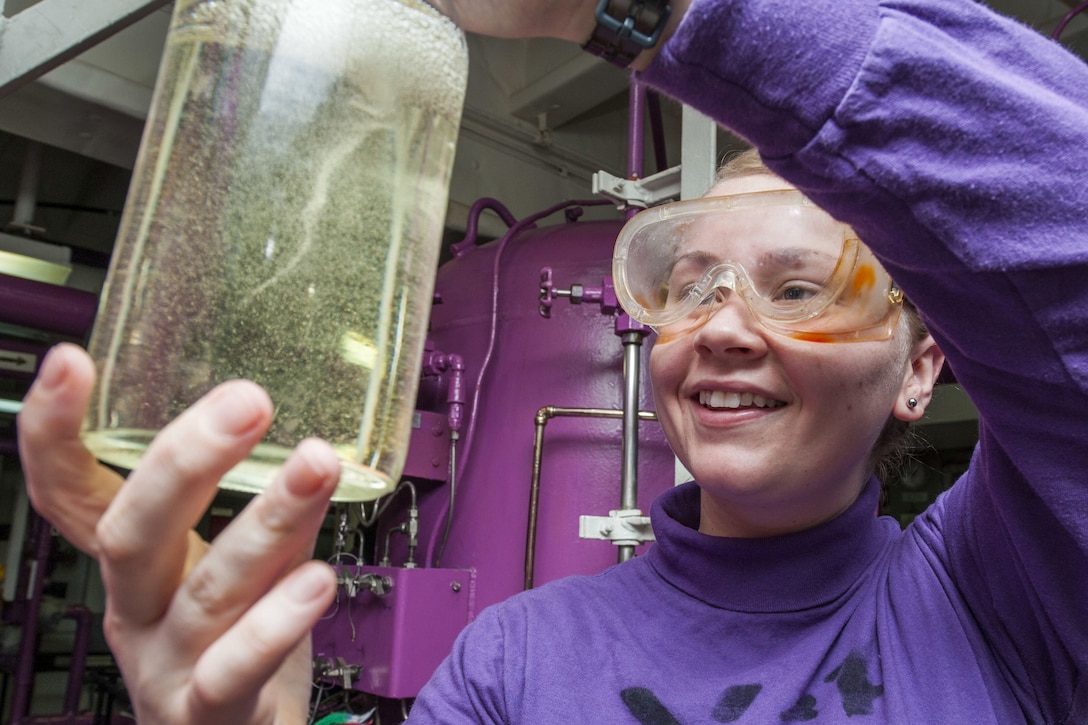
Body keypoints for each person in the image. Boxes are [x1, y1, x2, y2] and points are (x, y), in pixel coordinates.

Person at [16, 0, 1088, 721]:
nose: (719, 324)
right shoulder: (510, 660)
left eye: (797, 288)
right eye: (686, 278)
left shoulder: (1006, 592)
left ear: (917, 370)